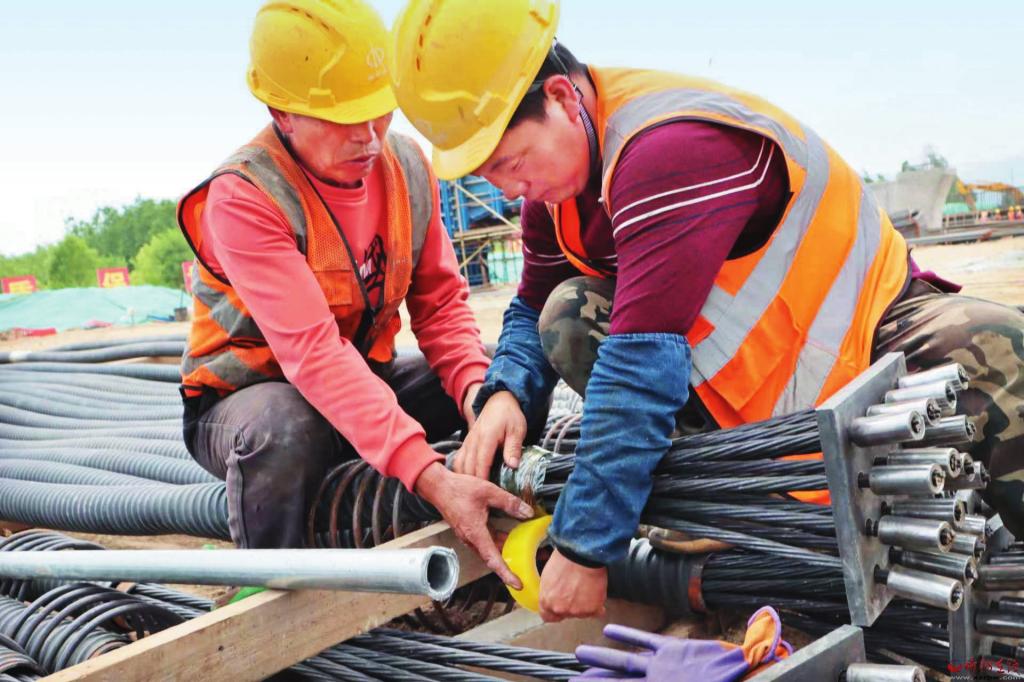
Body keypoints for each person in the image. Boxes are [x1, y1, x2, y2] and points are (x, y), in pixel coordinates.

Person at [390, 0, 1024, 621]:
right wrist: (507, 391)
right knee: (566, 314)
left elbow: (639, 366)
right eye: (489, 176)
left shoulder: (667, 148)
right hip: (754, 393)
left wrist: (585, 546)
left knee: (1001, 352)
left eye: (511, 163)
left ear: (561, 96)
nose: (510, 189)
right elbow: (531, 304)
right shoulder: (555, 197)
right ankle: (722, 503)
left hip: (868, 333)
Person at [176, 0, 532, 587]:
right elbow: (314, 355)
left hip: (363, 379)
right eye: (343, 119)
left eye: (378, 111)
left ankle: (504, 537)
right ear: (282, 114)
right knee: (283, 429)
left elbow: (441, 308)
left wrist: (479, 398)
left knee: (499, 388)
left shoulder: (407, 168)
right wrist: (432, 478)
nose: (368, 137)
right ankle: (270, 597)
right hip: (251, 402)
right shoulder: (246, 197)